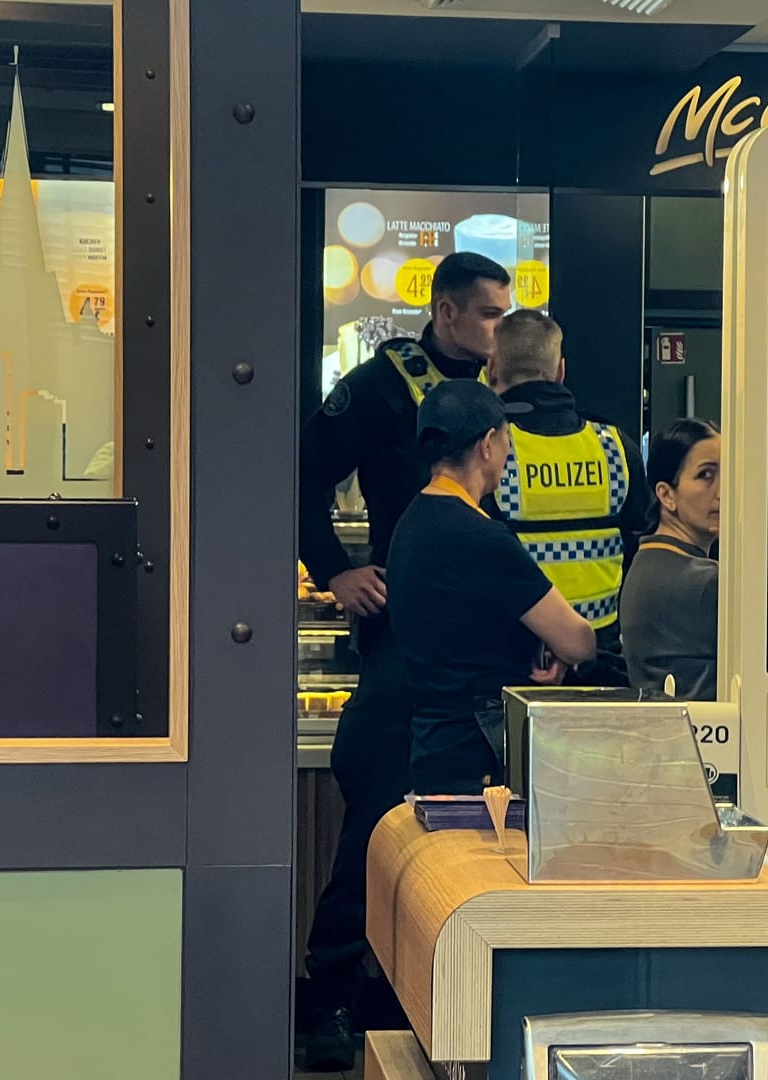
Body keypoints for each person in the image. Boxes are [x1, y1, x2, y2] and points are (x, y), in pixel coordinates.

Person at [295, 252, 513, 1070]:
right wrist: (336, 568)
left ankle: (422, 990)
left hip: (489, 645)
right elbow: (302, 475)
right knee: (385, 812)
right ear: (448, 312)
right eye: (488, 314)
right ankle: (332, 993)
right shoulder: (383, 385)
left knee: (465, 826)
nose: (498, 329)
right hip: (410, 640)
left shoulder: (504, 402)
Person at [387, 380, 598, 794]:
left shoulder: (411, 524)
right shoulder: (480, 536)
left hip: (433, 749)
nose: (509, 450)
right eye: (506, 437)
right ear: (487, 444)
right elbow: (578, 642)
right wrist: (555, 644)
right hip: (481, 762)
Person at [486, 309, 650, 686]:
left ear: (492, 369)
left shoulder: (490, 450)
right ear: (560, 370)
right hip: (601, 658)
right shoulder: (614, 446)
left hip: (515, 659)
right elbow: (639, 542)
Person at [620, 418, 722, 701]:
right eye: (706, 475)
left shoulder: (647, 560)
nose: (723, 490)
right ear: (666, 495)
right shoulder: (705, 582)